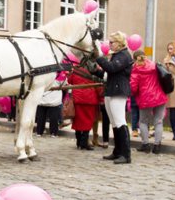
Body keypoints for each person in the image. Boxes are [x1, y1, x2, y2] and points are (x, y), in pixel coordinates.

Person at [96, 31, 134, 164]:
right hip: (111, 89)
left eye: (111, 42)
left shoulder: (123, 55)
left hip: (118, 90)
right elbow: (108, 73)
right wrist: (94, 70)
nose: (109, 45)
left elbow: (112, 68)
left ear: (119, 43)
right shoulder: (117, 55)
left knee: (120, 121)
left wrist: (99, 57)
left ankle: (126, 154)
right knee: (114, 122)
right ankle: (118, 151)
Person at [129, 50, 168, 154]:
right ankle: (157, 146)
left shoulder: (136, 69)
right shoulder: (155, 65)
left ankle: (145, 145)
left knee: (143, 121)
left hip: (145, 99)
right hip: (159, 96)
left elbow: (133, 88)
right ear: (145, 56)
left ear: (134, 59)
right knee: (158, 121)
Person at [70, 64, 102, 150]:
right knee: (88, 121)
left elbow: (70, 80)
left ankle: (79, 141)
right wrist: (101, 97)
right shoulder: (94, 69)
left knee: (78, 120)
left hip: (77, 98)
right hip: (90, 98)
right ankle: (84, 143)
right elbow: (98, 85)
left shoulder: (76, 69)